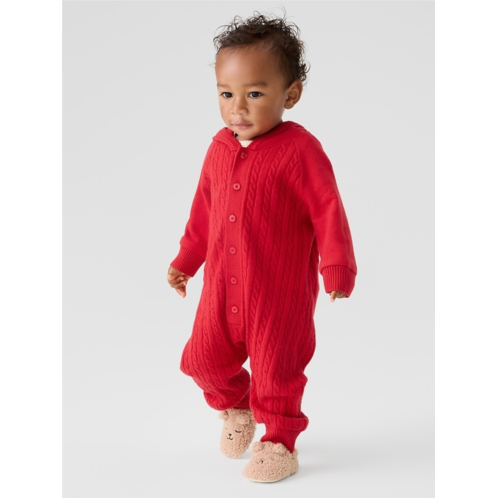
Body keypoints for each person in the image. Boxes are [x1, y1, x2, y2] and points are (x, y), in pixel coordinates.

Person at [167, 12, 357, 483]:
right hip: (221, 291)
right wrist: (186, 260)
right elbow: (204, 211)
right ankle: (238, 406)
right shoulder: (219, 148)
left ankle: (280, 442)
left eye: (254, 94)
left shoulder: (300, 150)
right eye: (226, 94)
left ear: (290, 94)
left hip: (277, 295)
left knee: (277, 372)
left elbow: (328, 209)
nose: (238, 108)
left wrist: (336, 267)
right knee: (202, 360)